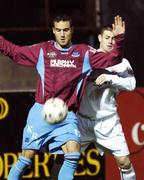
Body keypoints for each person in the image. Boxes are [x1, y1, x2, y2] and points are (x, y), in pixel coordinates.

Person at [0, 14, 125, 180]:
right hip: (41, 113)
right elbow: (14, 51)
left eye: (66, 29)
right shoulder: (43, 50)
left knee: (73, 154)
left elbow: (113, 59)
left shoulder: (83, 53)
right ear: (53, 31)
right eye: (58, 30)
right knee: (25, 159)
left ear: (72, 30)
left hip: (67, 115)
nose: (62, 34)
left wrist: (119, 39)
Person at [78, 26, 136, 180]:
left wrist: (111, 78)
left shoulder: (121, 62)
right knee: (63, 160)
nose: (111, 41)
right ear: (99, 38)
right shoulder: (86, 58)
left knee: (124, 162)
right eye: (107, 37)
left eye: (113, 38)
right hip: (82, 121)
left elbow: (131, 84)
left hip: (108, 122)